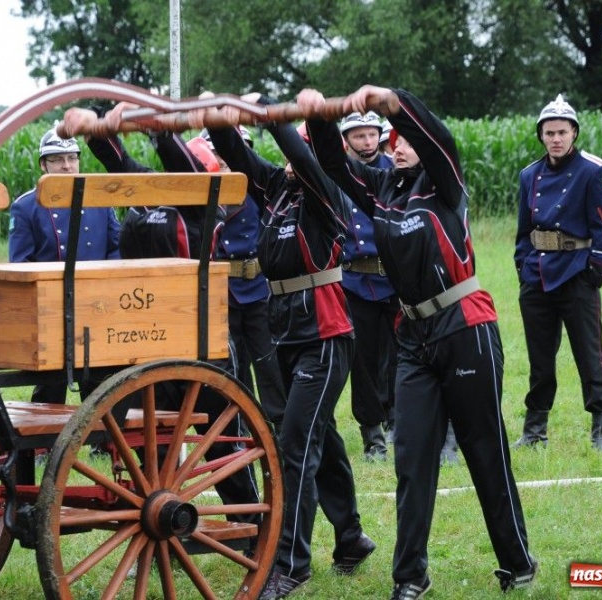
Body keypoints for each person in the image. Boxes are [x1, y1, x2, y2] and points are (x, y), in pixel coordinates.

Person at [297, 85, 537, 598]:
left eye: (406, 137)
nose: (401, 145)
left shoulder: (444, 183)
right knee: (411, 460)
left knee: (485, 453)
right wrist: (316, 117)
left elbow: (439, 139)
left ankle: (518, 562)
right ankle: (410, 577)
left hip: (465, 328)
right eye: (395, 139)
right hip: (414, 338)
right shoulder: (381, 188)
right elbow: (333, 168)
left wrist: (392, 101)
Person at [197, 97, 375, 599]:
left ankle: (290, 564)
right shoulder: (276, 188)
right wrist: (222, 116)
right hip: (283, 332)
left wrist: (276, 121)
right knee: (321, 434)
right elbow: (237, 153)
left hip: (325, 335)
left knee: (293, 446)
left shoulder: (326, 189)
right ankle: (351, 538)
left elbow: (303, 153)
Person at [60, 104, 263, 543]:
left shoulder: (204, 203)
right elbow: (115, 158)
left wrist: (158, 130)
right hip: (149, 339)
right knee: (155, 444)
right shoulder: (148, 192)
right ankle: (161, 521)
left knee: (222, 437)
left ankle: (250, 526)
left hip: (201, 339)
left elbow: (178, 163)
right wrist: (94, 126)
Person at [513, 94, 602, 452]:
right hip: (537, 276)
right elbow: (523, 230)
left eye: (562, 132)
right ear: (541, 135)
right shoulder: (529, 175)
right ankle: (534, 429)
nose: (556, 138)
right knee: (539, 359)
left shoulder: (594, 171)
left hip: (576, 273)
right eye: (549, 132)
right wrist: (522, 267)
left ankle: (601, 428)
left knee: (589, 355)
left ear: (574, 133)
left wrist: (594, 273)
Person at [8, 123, 121, 404]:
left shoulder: (99, 199)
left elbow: (117, 248)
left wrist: (106, 285)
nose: (67, 166)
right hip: (52, 305)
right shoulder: (25, 206)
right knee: (51, 379)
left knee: (101, 375)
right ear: (44, 165)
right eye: (57, 160)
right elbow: (21, 262)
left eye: (72, 159)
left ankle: (102, 438)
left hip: (97, 300)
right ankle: (44, 440)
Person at [201, 128, 288, 429]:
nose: (224, 159)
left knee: (269, 361)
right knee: (232, 363)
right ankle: (238, 422)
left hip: (258, 286)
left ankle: (277, 423)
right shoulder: (204, 190)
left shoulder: (264, 189)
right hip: (222, 290)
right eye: (216, 152)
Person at [337, 111, 400, 461]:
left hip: (393, 278)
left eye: (371, 135)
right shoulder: (339, 175)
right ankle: (371, 433)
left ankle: (397, 422)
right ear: (346, 140)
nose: (367, 142)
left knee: (398, 355)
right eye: (358, 136)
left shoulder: (397, 171)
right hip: (354, 280)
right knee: (362, 359)